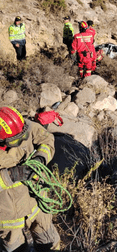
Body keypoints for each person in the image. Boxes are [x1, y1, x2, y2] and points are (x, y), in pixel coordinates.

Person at [0, 106, 60, 251]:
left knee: (50, 241)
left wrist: (41, 158)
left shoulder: (20, 126)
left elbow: (46, 139)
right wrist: (11, 176)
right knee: (15, 247)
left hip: (36, 202)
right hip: (9, 215)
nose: (21, 141)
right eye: (15, 141)